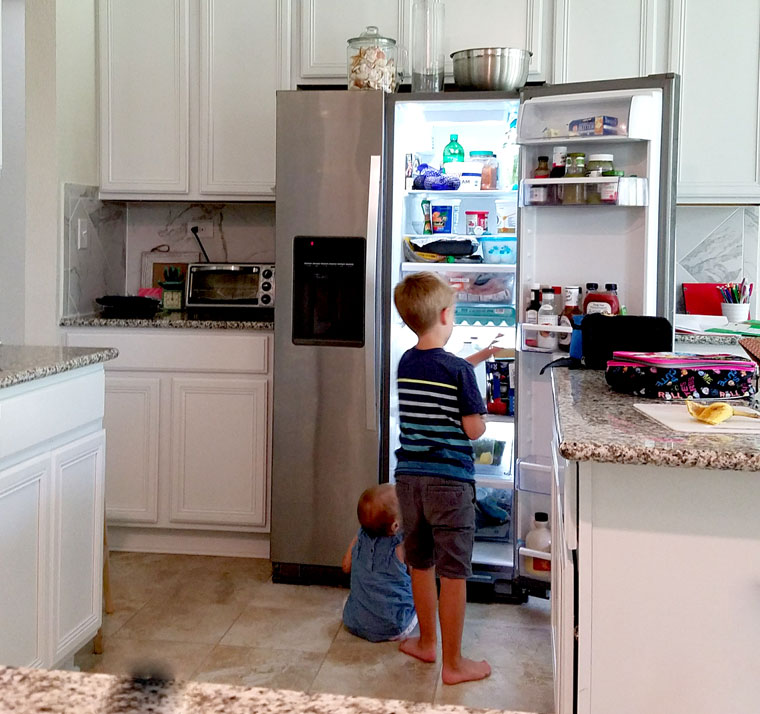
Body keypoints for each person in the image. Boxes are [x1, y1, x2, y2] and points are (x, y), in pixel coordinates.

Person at [392, 271, 495, 685]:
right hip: (450, 483)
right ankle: (453, 664)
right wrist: (475, 395)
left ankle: (426, 642)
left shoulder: (407, 360)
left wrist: (476, 359)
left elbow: (440, 371)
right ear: (447, 315)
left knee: (420, 561)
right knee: (453, 571)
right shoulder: (459, 373)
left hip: (409, 479)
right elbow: (474, 430)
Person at [341, 484, 418, 642]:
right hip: (393, 627)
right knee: (419, 603)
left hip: (354, 622)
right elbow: (418, 579)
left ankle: (365, 618)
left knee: (350, 600)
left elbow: (346, 566)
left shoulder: (360, 536)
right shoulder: (402, 544)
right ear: (395, 526)